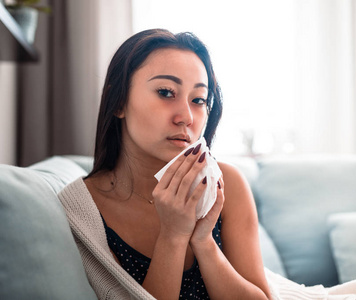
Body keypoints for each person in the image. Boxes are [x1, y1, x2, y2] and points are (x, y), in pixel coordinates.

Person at [58, 28, 271, 299]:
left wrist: (203, 241)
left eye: (198, 100)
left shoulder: (227, 185)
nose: (186, 117)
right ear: (119, 101)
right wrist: (172, 236)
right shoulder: (84, 209)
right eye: (166, 92)